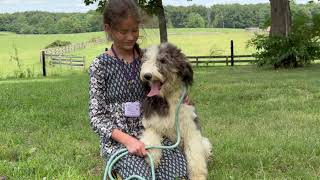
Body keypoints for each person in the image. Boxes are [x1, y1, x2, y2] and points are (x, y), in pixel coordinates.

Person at [88, 0, 189, 179]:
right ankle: (119, 164)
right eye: (123, 32)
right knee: (141, 175)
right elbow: (96, 116)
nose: (130, 37)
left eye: (134, 30)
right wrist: (128, 141)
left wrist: (179, 95)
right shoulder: (100, 65)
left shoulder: (147, 59)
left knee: (181, 169)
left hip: (152, 133)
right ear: (108, 29)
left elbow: (166, 82)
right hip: (119, 141)